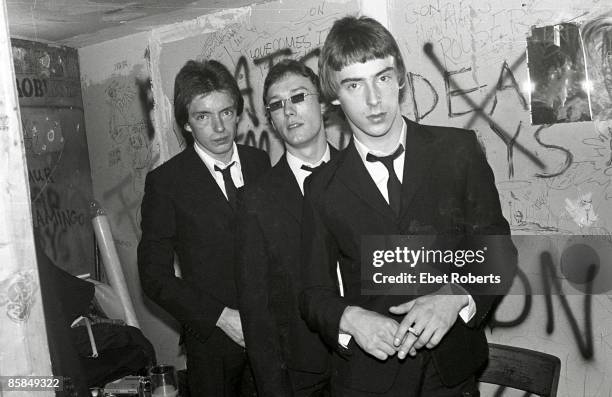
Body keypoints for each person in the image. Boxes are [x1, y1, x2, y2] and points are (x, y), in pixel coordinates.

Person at [299, 16, 518, 396]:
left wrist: (455, 296)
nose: (373, 100)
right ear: (334, 95)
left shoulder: (458, 151)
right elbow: (312, 291)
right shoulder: (322, 186)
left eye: (382, 78)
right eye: (354, 84)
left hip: (453, 372)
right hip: (369, 379)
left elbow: (499, 250)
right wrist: (350, 319)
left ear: (400, 77)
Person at [138, 59, 270, 396]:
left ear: (238, 113)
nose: (219, 127)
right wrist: (220, 317)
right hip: (212, 343)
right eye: (203, 117)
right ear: (186, 124)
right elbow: (154, 276)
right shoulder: (166, 183)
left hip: (271, 333)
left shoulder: (260, 163)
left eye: (226, 112)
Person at [236, 59, 336, 397]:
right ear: (271, 119)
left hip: (373, 368)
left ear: (321, 101)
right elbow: (256, 311)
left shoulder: (362, 176)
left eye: (298, 97)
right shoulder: (256, 199)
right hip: (302, 378)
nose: (288, 111)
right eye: (277, 105)